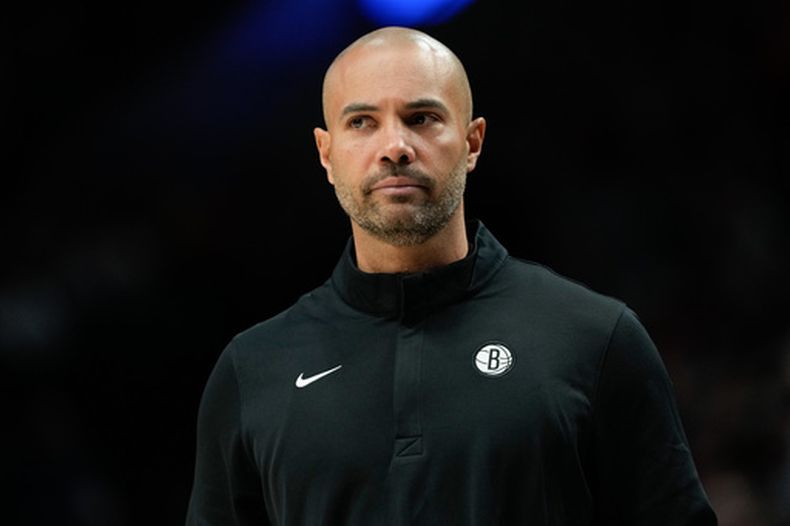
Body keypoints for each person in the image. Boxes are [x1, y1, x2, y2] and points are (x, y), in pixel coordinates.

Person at [185, 26, 717, 525]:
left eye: (421, 118)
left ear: (472, 142)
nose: (394, 147)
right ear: (327, 154)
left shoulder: (595, 339)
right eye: (362, 122)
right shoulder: (252, 372)